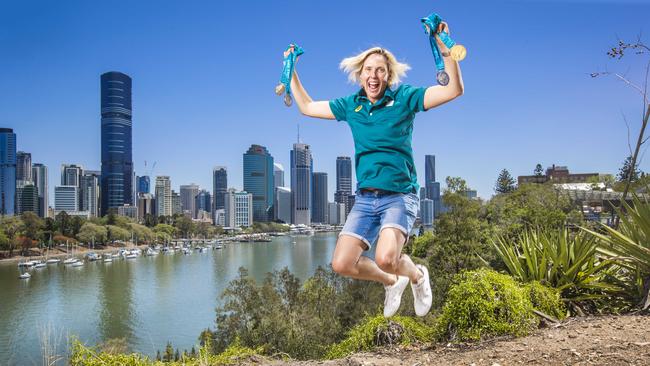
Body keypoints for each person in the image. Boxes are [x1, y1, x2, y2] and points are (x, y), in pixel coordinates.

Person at [287, 22, 464, 317]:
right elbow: (306, 106)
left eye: (380, 70)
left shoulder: (404, 98)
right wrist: (290, 69)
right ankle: (391, 282)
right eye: (368, 70)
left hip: (399, 195)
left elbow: (453, 89)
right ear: (360, 74)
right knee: (342, 264)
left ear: (389, 75)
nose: (373, 75)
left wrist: (445, 47)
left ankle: (418, 276)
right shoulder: (351, 106)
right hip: (366, 199)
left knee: (385, 257)